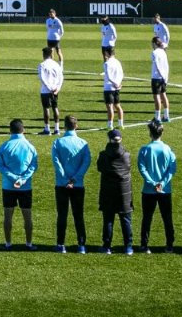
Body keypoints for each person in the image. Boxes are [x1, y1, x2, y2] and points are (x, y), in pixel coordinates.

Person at [0, 119, 39, 250]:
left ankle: (8, 244)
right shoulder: (30, 146)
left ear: (10, 130)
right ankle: (29, 244)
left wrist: (14, 179)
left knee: (8, 215)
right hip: (25, 187)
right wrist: (22, 179)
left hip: (8, 186)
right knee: (27, 216)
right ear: (23, 129)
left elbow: (0, 167)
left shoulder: (4, 146)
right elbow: (33, 166)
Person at [52, 114, 91, 253]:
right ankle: (81, 245)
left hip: (61, 185)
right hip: (78, 185)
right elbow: (86, 162)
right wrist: (75, 178)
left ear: (64, 126)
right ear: (76, 125)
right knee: (78, 215)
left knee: (62, 214)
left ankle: (61, 244)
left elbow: (57, 163)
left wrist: (65, 179)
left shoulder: (57, 143)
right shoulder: (83, 143)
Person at [137, 120, 176, 254]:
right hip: (165, 190)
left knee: (147, 217)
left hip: (149, 190)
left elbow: (142, 168)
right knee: (167, 218)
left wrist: (152, 183)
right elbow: (172, 169)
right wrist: (162, 183)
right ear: (162, 132)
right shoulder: (168, 149)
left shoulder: (145, 149)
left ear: (150, 133)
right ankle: (170, 245)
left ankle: (144, 244)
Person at [97, 129, 134, 255]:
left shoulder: (103, 154)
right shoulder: (126, 155)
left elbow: (99, 167)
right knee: (126, 219)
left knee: (108, 219)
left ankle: (107, 246)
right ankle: (128, 246)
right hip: (124, 191)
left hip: (108, 190)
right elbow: (128, 168)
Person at [37, 46, 63, 135]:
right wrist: (57, 88)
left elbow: (42, 78)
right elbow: (61, 77)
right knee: (55, 107)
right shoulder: (56, 64)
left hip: (46, 90)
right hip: (55, 90)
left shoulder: (42, 64)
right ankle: (57, 129)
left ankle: (47, 129)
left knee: (46, 108)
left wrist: (49, 88)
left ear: (44, 54)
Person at [102, 48, 124, 130]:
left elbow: (108, 76)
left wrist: (114, 83)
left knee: (110, 107)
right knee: (118, 105)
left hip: (109, 87)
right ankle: (121, 123)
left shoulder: (107, 63)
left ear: (107, 53)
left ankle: (110, 125)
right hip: (117, 87)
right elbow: (122, 74)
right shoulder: (117, 62)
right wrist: (118, 83)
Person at [150, 37, 170, 123]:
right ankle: (166, 115)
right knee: (164, 95)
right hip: (163, 77)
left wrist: (161, 75)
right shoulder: (163, 52)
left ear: (154, 43)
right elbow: (166, 65)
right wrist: (165, 77)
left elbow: (157, 66)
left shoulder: (154, 53)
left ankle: (157, 117)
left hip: (156, 78)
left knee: (157, 97)